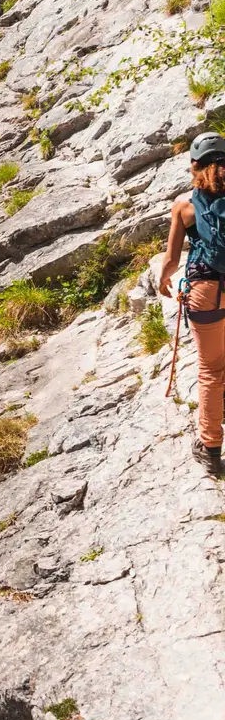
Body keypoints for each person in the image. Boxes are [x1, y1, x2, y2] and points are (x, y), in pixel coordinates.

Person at [159, 131, 225, 475]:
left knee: (212, 369)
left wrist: (163, 279)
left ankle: (210, 446)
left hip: (204, 292)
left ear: (194, 165)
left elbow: (171, 259)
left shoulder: (185, 206)